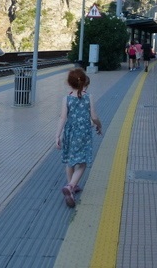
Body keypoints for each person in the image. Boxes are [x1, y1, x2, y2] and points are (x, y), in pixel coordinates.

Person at [55, 68, 102, 208]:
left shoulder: (66, 98)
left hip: (69, 133)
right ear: (84, 82)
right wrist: (99, 125)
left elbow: (63, 117)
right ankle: (70, 186)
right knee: (82, 163)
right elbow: (93, 117)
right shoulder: (89, 97)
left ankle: (72, 187)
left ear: (69, 83)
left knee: (70, 160)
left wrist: (57, 135)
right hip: (83, 133)